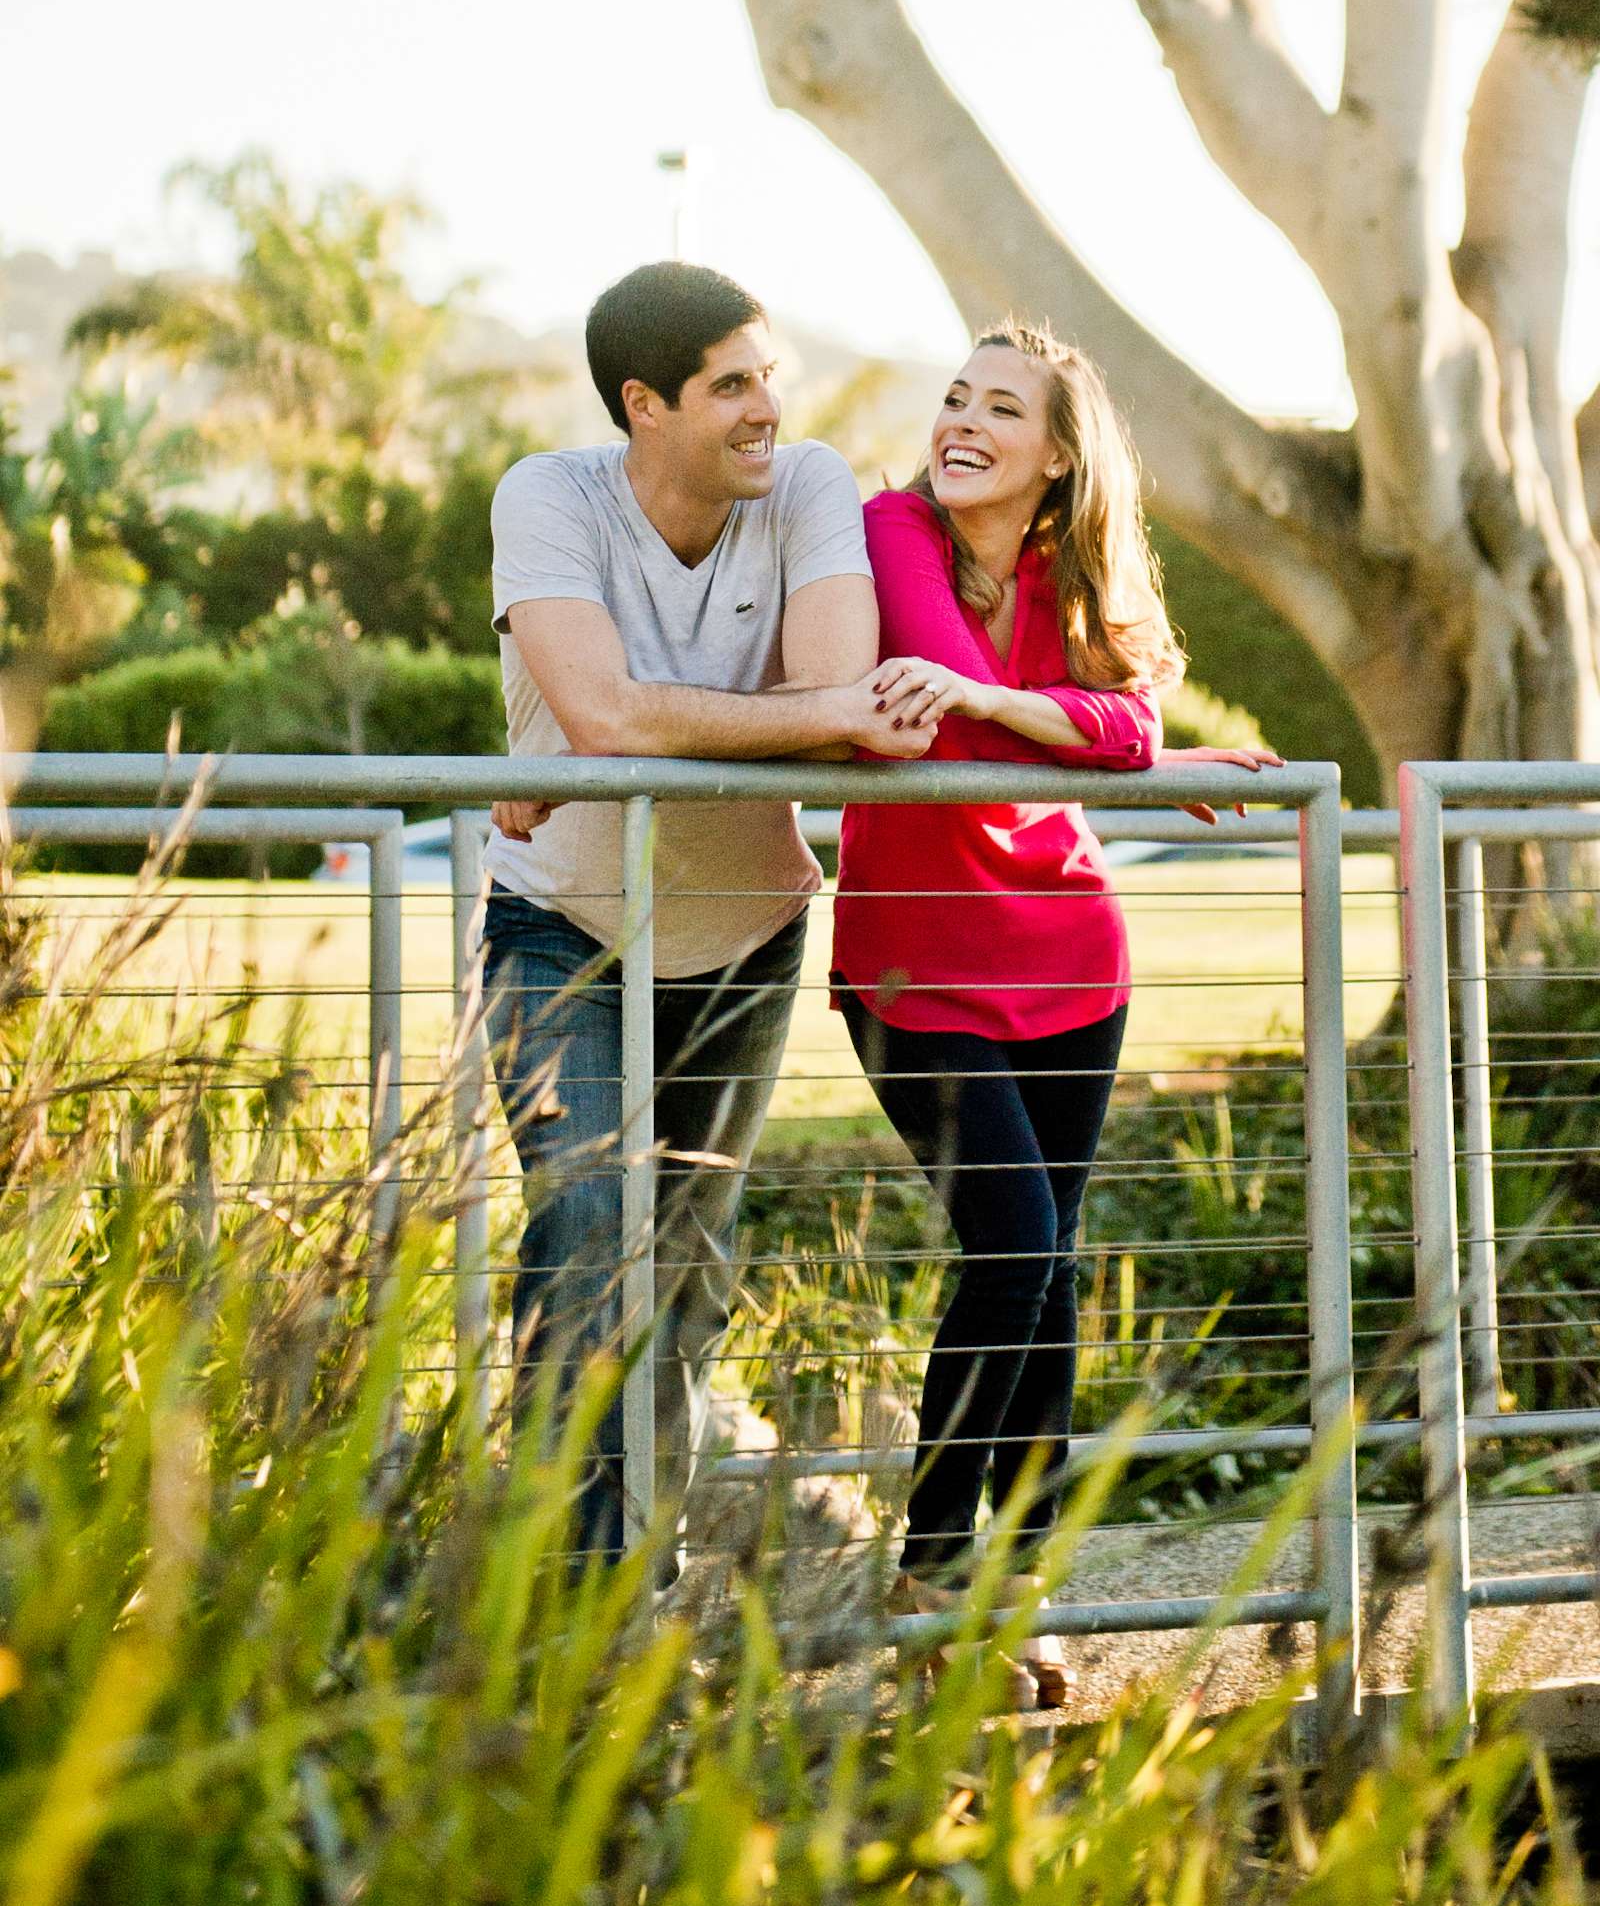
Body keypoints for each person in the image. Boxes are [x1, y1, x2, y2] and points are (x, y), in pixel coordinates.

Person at [832, 316, 1277, 1699]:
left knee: (1053, 1275)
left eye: (998, 408)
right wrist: (1031, 708)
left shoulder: (1062, 574)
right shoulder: (890, 527)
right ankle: (934, 1568)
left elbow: (1132, 725)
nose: (959, 420)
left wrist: (1008, 702)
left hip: (1071, 958)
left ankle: (1014, 1592)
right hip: (910, 966)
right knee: (1013, 1255)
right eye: (955, 397)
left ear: (1058, 454)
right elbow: (927, 698)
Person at [482, 260, 935, 1572]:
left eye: (769, 376)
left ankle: (642, 1590)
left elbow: (838, 692)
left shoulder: (808, 486)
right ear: (644, 404)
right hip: (556, 925)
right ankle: (563, 1606)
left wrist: (613, 732)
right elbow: (630, 713)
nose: (766, 409)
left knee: (682, 1272)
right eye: (732, 385)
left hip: (746, 939)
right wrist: (606, 726)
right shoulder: (548, 496)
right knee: (586, 1232)